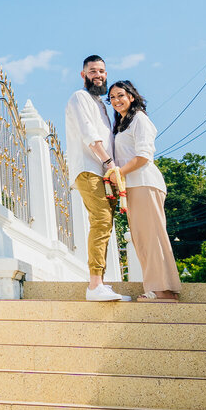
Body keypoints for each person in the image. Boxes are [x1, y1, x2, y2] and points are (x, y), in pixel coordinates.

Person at [108, 79, 182, 302]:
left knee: (151, 238)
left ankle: (162, 291)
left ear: (131, 96)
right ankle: (160, 289)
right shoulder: (122, 124)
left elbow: (143, 156)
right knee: (142, 239)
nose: (116, 100)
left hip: (144, 183)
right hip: (133, 186)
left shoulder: (140, 119)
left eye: (121, 95)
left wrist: (119, 172)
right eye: (112, 97)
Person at [65, 55, 129, 301]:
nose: (98, 75)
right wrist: (108, 162)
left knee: (106, 224)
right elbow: (88, 133)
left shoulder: (102, 105)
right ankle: (94, 286)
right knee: (101, 221)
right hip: (89, 168)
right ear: (83, 75)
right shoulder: (79, 97)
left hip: (104, 172)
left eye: (102, 71)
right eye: (93, 71)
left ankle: (100, 282)